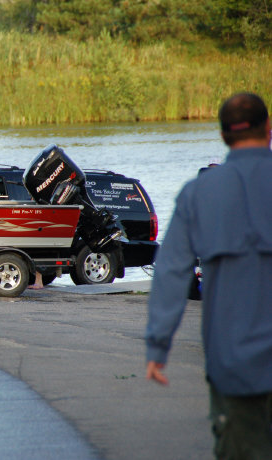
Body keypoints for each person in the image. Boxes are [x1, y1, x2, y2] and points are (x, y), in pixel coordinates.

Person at [145, 92, 272, 458]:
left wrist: (158, 346)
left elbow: (171, 273)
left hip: (235, 368)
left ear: (223, 135)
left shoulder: (198, 193)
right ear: (268, 128)